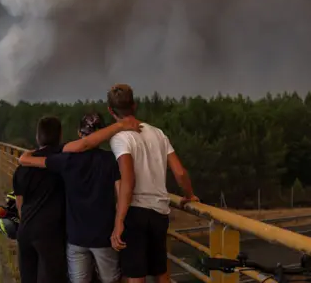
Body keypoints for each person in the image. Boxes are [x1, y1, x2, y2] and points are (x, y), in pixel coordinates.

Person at [107, 84, 199, 283]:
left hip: (135, 212)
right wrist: (189, 195)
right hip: (159, 212)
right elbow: (180, 172)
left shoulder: (119, 138)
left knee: (136, 275)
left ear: (110, 111)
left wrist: (119, 220)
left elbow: (128, 180)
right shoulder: (158, 133)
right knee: (161, 272)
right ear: (135, 105)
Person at [19, 113, 124, 283]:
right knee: (110, 280)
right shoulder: (110, 160)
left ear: (78, 132)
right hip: (104, 235)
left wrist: (25, 157)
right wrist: (119, 224)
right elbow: (120, 193)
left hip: (76, 237)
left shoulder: (67, 160)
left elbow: (34, 161)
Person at [12, 116, 67, 283]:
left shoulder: (23, 167)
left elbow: (19, 204)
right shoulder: (63, 161)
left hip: (26, 230)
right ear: (60, 135)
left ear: (38, 137)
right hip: (51, 233)